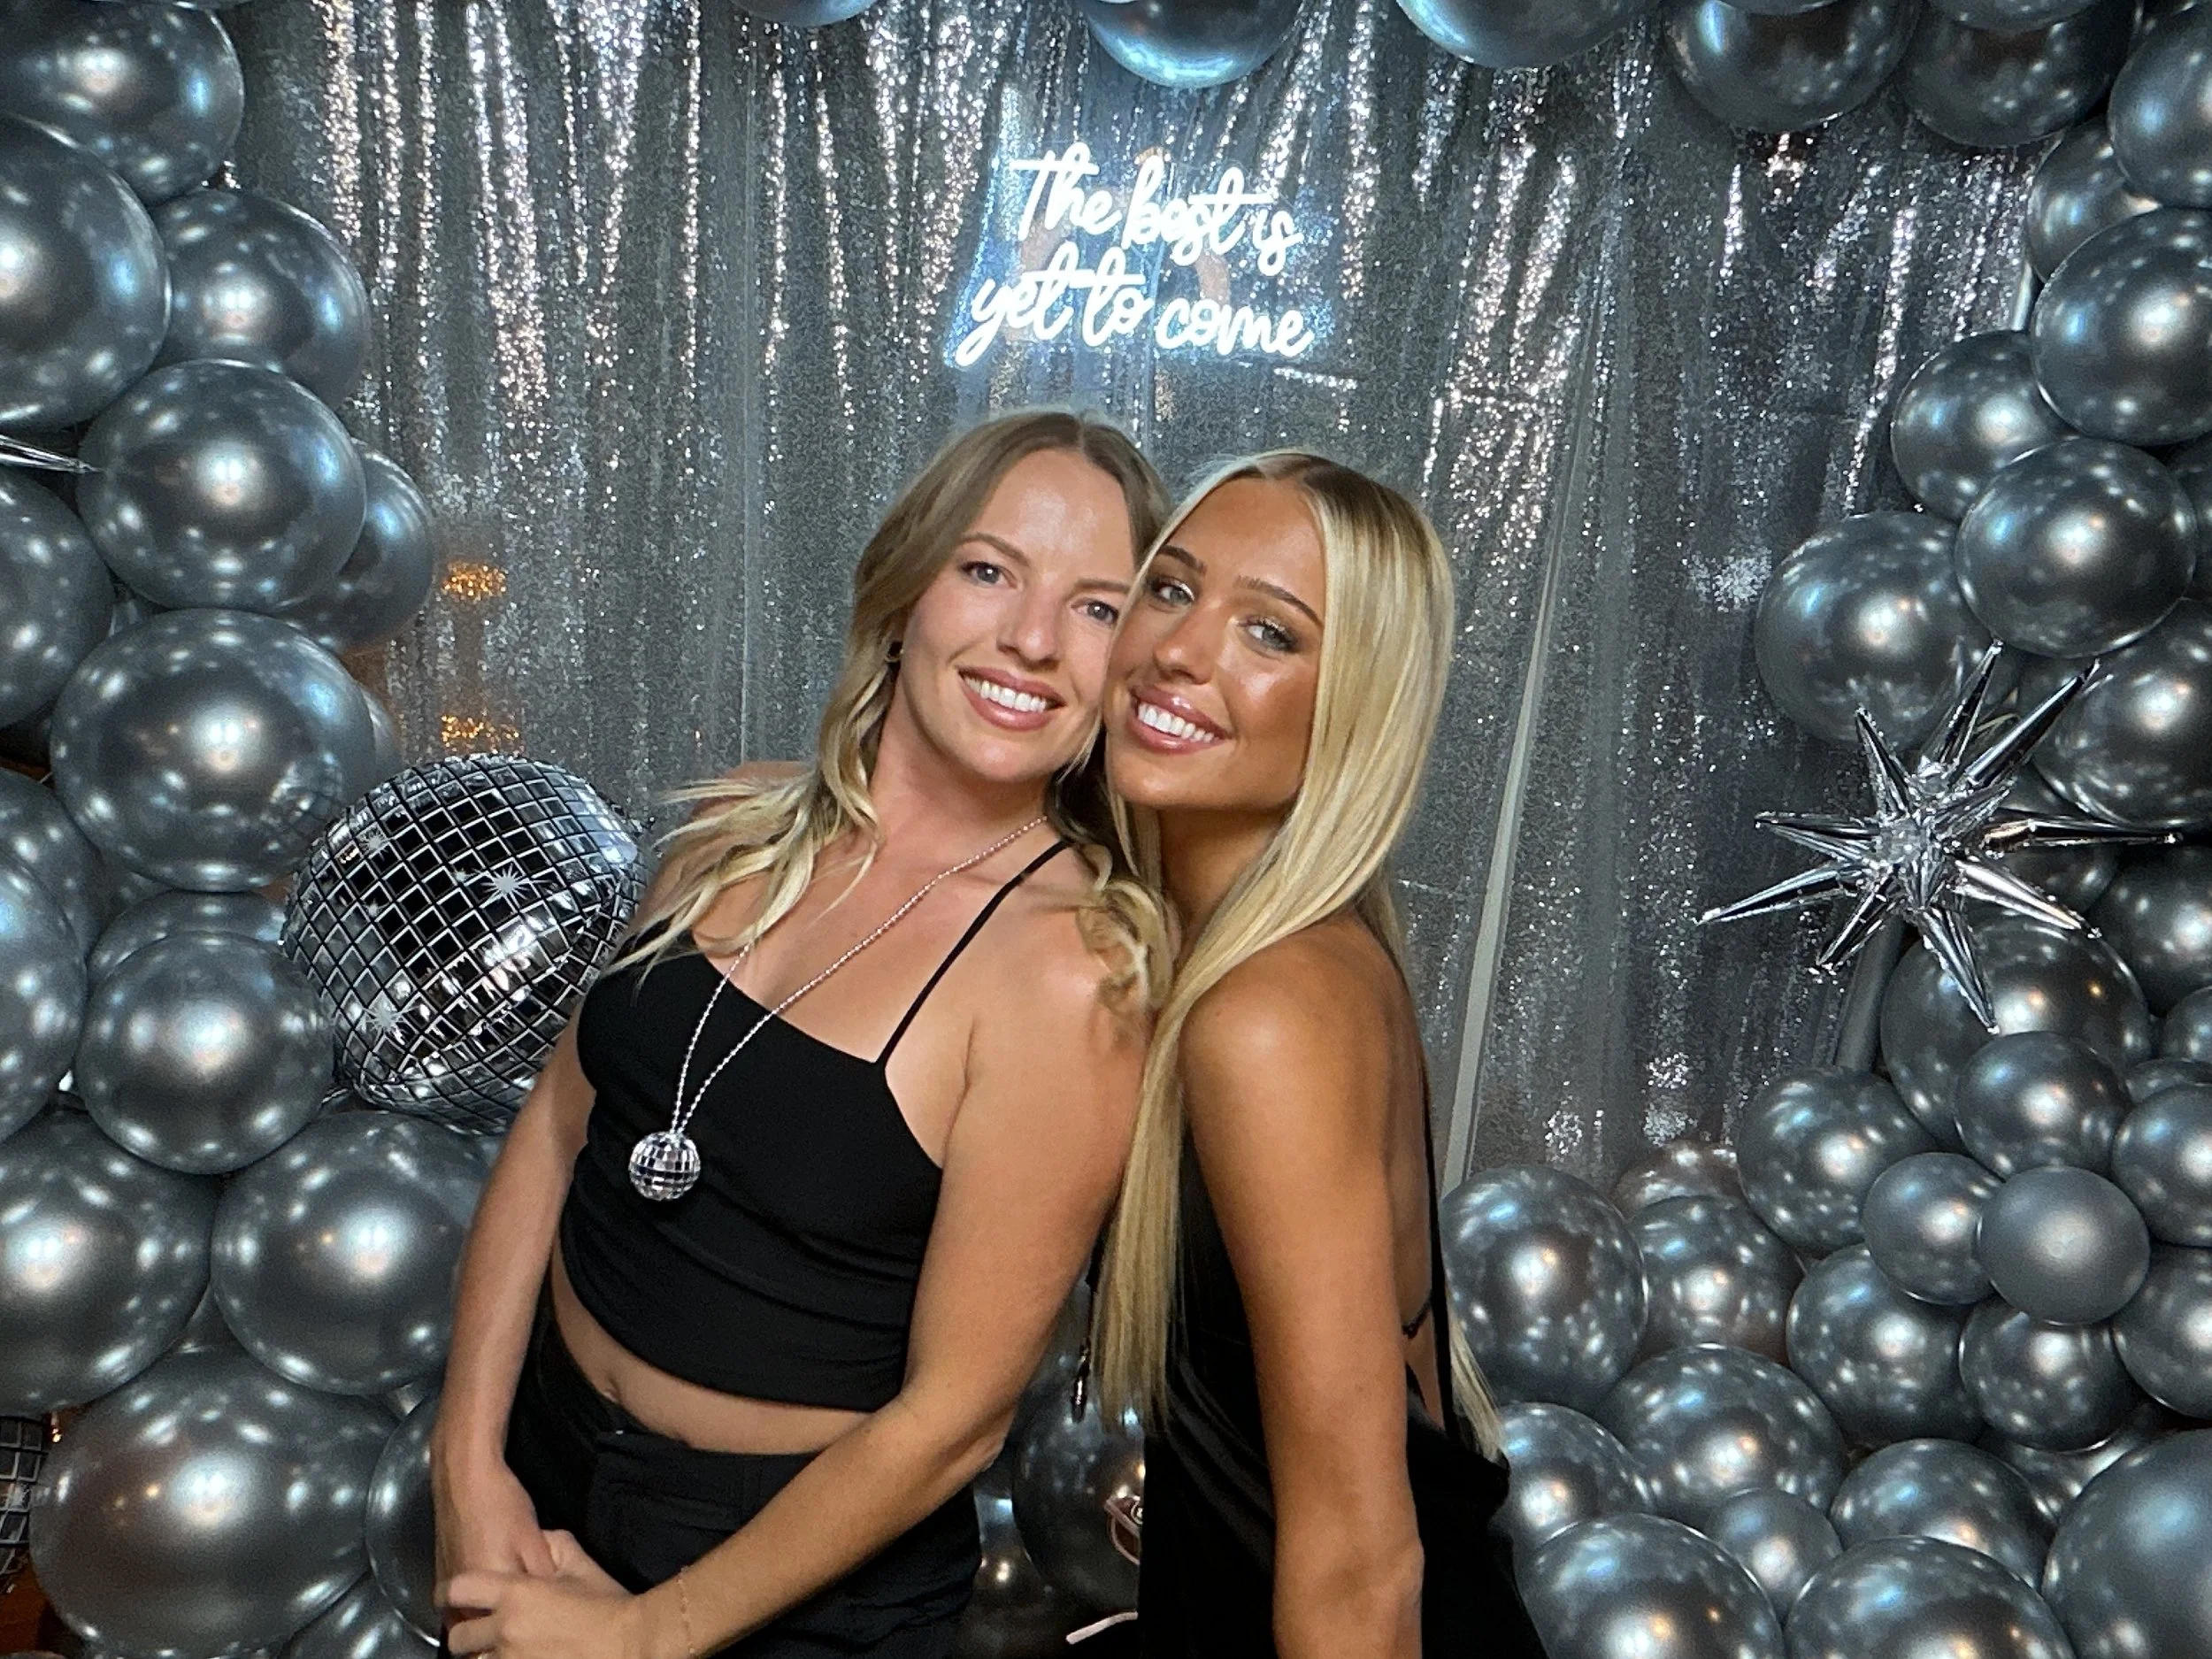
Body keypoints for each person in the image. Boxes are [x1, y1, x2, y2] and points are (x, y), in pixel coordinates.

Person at [433, 410, 1171, 1659]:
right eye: (989, 570)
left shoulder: (1073, 978)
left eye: (1098, 608)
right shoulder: (733, 825)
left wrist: (648, 1638)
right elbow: (558, 1133)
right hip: (539, 1458)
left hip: (785, 1579)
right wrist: (468, 1459)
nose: (1034, 640)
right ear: (905, 589)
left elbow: (951, 1420)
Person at [1087, 453, 1541, 1657]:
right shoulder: (1256, 956)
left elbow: (1362, 1564)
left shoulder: (1269, 1008)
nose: (1181, 652)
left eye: (1270, 634)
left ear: (1356, 703)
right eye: (1170, 589)